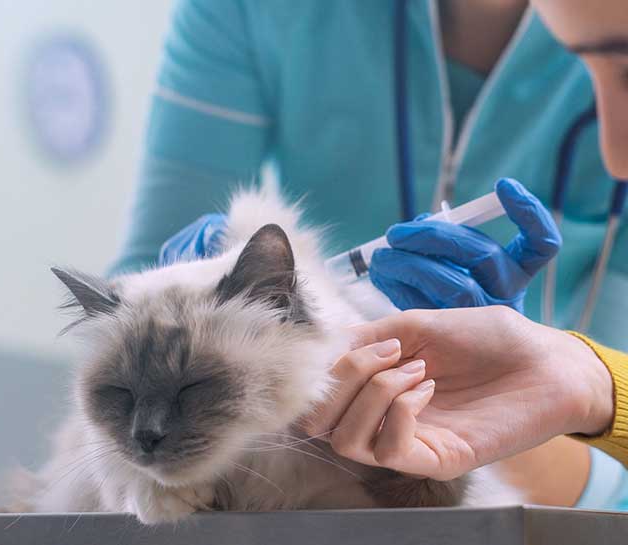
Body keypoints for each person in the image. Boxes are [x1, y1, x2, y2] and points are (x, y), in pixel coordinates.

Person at [109, 0, 628, 507]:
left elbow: (618, 485)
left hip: (557, 494)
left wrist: (525, 400)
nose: (614, 155)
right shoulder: (250, 10)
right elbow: (129, 310)